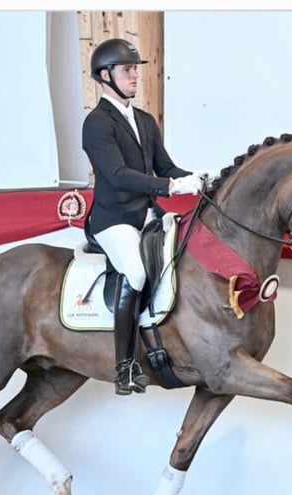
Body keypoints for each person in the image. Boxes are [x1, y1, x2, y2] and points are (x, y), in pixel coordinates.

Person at [82, 37, 203, 396]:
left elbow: (165, 166)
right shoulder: (97, 124)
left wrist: (200, 180)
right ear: (105, 76)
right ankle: (125, 366)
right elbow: (118, 175)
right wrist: (170, 187)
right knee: (135, 271)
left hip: (148, 214)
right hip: (113, 218)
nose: (135, 76)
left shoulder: (145, 120)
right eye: (127, 70)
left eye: (136, 69)